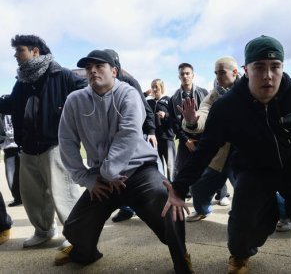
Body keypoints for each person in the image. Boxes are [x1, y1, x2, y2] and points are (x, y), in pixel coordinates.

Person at [162, 35, 291, 273]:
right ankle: (240, 255)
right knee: (244, 216)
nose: (268, 75)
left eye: (275, 67)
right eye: (259, 67)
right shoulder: (227, 106)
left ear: (282, 67)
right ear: (246, 70)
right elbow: (205, 150)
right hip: (252, 166)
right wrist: (178, 188)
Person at [55, 50, 193, 273]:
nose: (92, 71)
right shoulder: (75, 100)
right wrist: (88, 179)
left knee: (166, 200)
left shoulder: (128, 93)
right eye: (89, 67)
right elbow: (67, 141)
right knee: (74, 227)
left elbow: (128, 134)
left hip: (139, 171)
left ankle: (181, 258)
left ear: (114, 71)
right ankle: (84, 253)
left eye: (99, 66)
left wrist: (110, 172)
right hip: (101, 177)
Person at [0, 35, 86, 248]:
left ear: (35, 51)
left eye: (20, 50)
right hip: (27, 147)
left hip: (55, 144)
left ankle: (77, 234)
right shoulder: (22, 81)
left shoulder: (61, 74)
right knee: (32, 196)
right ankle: (44, 230)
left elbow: (86, 92)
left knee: (64, 192)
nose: (15, 55)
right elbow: (12, 104)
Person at [178, 56, 240, 222]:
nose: (218, 77)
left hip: (242, 154)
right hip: (220, 154)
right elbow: (204, 112)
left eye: (222, 73)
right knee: (198, 186)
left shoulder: (249, 89)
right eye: (215, 73)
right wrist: (192, 120)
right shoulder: (214, 95)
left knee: (251, 190)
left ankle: (284, 215)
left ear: (235, 72)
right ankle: (202, 210)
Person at [103, 49, 159, 223]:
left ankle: (152, 205)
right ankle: (126, 208)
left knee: (140, 171)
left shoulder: (128, 82)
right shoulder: (100, 86)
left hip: (134, 134)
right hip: (112, 137)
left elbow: (145, 107)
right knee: (118, 172)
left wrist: (151, 131)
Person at [169, 63, 209, 181]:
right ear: (179, 77)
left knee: (210, 167)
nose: (185, 76)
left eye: (187, 73)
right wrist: (186, 140)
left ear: (193, 75)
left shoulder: (204, 93)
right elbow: (174, 123)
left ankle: (221, 194)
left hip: (203, 137)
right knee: (181, 169)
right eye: (182, 74)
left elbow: (210, 116)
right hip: (185, 139)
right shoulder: (173, 98)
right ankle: (182, 194)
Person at [148, 79, 176, 181]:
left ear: (162, 87)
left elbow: (175, 118)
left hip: (167, 137)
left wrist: (166, 115)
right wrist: (146, 93)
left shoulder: (168, 100)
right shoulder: (148, 102)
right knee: (157, 165)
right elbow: (138, 98)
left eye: (156, 86)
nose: (154, 89)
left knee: (171, 165)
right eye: (152, 86)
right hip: (154, 139)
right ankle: (162, 188)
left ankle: (173, 188)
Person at [0, 103, 21, 207]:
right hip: (8, 147)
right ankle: (18, 198)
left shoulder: (18, 106)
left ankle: (24, 197)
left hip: (21, 145)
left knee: (27, 175)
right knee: (11, 176)